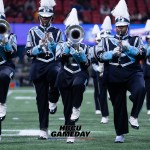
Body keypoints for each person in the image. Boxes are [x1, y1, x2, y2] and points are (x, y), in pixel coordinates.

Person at [92, 0, 146, 143]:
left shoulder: (135, 39)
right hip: (114, 73)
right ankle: (120, 133)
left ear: (128, 27)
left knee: (140, 89)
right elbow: (98, 56)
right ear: (115, 27)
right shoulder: (106, 41)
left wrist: (129, 49)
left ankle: (134, 116)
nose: (120, 29)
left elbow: (142, 53)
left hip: (133, 71)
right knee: (118, 105)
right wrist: (112, 54)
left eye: (123, 27)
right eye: (118, 27)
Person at [25, 0, 63, 139]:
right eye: (43, 17)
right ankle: (43, 129)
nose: (45, 19)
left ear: (52, 17)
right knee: (41, 99)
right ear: (39, 17)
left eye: (48, 17)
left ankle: (53, 98)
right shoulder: (32, 32)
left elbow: (62, 51)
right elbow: (28, 52)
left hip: (53, 63)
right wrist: (39, 47)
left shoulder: (58, 32)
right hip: (38, 65)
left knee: (57, 75)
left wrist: (53, 45)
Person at [55, 8, 90, 143]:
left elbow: (87, 65)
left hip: (80, 73)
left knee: (77, 85)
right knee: (66, 106)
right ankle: (70, 132)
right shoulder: (61, 45)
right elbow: (59, 58)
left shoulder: (86, 47)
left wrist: (79, 53)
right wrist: (67, 47)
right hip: (65, 74)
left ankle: (77, 107)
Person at [0, 0, 17, 140]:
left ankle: (2, 102)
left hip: (6, 65)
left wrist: (5, 41)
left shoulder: (11, 36)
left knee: (4, 76)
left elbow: (12, 54)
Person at [142, 19, 150, 115]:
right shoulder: (144, 46)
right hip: (147, 72)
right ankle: (149, 107)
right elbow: (143, 56)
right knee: (148, 91)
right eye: (148, 38)